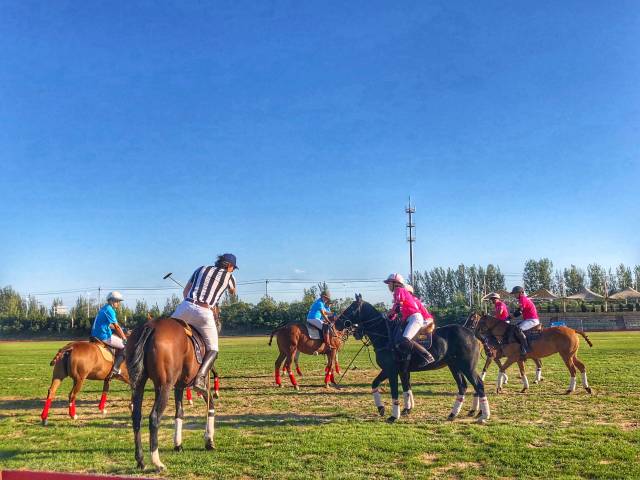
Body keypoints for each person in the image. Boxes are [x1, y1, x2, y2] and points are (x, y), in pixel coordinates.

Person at [172, 253, 238, 393]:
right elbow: (233, 292)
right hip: (204, 312)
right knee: (213, 349)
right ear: (230, 266)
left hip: (185, 307)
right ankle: (200, 378)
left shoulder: (201, 268)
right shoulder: (230, 277)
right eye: (233, 268)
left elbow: (185, 292)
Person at [384, 274, 434, 365]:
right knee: (398, 338)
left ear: (395, 283)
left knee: (405, 339)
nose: (388, 285)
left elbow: (398, 306)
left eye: (389, 283)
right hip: (410, 318)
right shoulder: (398, 291)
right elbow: (396, 308)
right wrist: (390, 316)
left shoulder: (399, 290)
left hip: (415, 318)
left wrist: (388, 315)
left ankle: (427, 356)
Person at [91, 291, 127, 379]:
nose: (118, 303)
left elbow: (109, 325)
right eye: (116, 301)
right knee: (126, 347)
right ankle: (116, 369)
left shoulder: (104, 308)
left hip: (95, 334)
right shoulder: (110, 310)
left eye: (119, 301)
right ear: (110, 301)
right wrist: (124, 338)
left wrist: (124, 330)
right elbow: (116, 327)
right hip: (103, 336)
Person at [510, 286, 540, 358]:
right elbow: (519, 310)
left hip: (532, 320)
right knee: (515, 328)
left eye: (515, 293)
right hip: (528, 320)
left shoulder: (522, 298)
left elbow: (520, 311)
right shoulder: (522, 299)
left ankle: (525, 348)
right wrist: (511, 316)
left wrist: (511, 316)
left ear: (520, 293)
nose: (514, 295)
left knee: (518, 329)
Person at [307, 290, 334, 354]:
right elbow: (323, 314)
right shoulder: (320, 303)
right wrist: (328, 321)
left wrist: (334, 314)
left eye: (328, 299)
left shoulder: (321, 303)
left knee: (325, 325)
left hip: (314, 318)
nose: (327, 300)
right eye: (326, 298)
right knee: (326, 327)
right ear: (323, 297)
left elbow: (326, 312)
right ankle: (327, 345)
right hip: (313, 318)